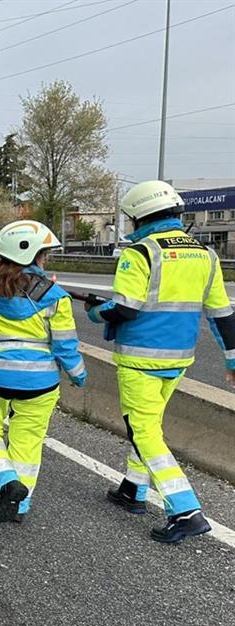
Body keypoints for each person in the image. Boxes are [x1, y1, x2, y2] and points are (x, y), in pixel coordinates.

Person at [87, 180, 235, 544]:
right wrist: (232, 359)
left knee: (145, 432)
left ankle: (186, 511)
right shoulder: (205, 254)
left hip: (140, 359)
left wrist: (94, 312)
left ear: (138, 216)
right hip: (179, 359)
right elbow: (222, 315)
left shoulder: (140, 253)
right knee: (149, 424)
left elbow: (125, 307)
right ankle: (133, 491)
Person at [0, 220, 86, 524]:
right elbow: (65, 346)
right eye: (44, 254)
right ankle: (19, 507)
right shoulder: (56, 296)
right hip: (40, 382)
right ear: (35, 255)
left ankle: (7, 480)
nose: (45, 259)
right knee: (28, 441)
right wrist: (77, 374)